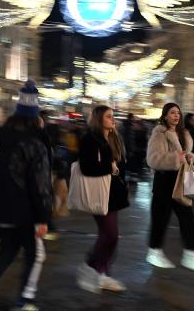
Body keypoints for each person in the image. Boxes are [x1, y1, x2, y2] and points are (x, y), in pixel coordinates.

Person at [0, 80, 52, 311]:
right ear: (36, 116)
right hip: (22, 210)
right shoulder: (35, 143)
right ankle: (25, 301)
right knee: (33, 254)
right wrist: (43, 217)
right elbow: (40, 183)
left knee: (6, 252)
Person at [146, 103, 194, 271]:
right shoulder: (159, 133)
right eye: (172, 113)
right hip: (164, 182)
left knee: (188, 218)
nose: (176, 116)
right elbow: (153, 159)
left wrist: (190, 159)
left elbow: (186, 154)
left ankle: (191, 255)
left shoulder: (184, 133)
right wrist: (175, 158)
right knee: (160, 220)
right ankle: (154, 252)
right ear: (165, 115)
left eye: (178, 113)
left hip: (179, 181)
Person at [76, 106, 130, 294]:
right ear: (99, 119)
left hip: (113, 194)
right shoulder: (90, 139)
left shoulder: (114, 138)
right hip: (98, 194)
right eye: (108, 117)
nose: (112, 119)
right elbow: (86, 167)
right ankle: (92, 268)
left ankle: (102, 272)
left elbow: (121, 165)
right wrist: (110, 168)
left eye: (113, 116)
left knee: (110, 237)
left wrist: (120, 176)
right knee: (110, 235)